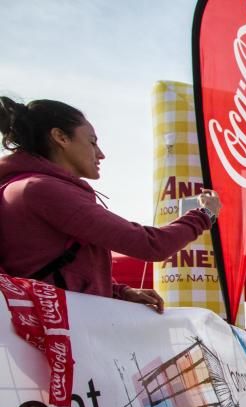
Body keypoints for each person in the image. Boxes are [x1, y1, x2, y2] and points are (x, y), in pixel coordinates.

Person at [0, 97, 220, 308]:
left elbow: (48, 265)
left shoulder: (19, 187)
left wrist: (119, 292)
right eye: (92, 142)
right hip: (62, 331)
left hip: (45, 326)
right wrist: (204, 215)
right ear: (61, 137)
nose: (101, 154)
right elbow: (152, 245)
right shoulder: (41, 189)